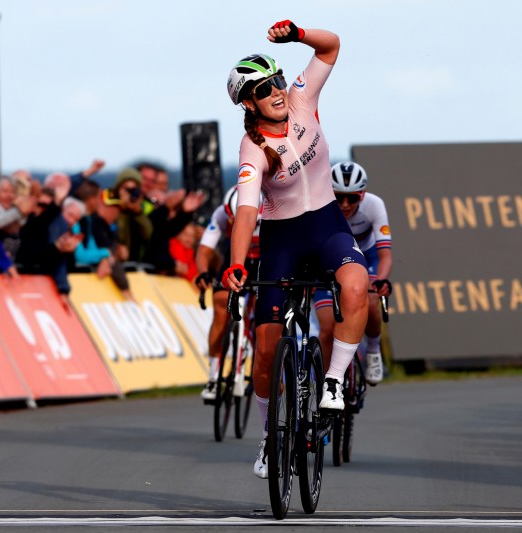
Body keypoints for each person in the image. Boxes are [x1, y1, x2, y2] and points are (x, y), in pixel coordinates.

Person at [222, 21, 369, 478]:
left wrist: (299, 34)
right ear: (249, 102)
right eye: (265, 88)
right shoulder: (253, 148)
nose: (278, 90)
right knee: (266, 350)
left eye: (278, 80)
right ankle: (269, 439)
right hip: (282, 238)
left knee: (356, 283)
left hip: (326, 223)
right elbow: (246, 212)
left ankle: (331, 383)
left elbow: (333, 46)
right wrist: (235, 264)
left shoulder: (303, 99)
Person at [313, 162, 392, 385]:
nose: (345, 204)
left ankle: (374, 351)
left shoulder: (375, 205)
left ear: (363, 195)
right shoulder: (321, 207)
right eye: (338, 198)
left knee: (370, 298)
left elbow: (384, 254)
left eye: (353, 198)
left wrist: (382, 280)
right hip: (328, 262)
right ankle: (327, 385)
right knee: (327, 331)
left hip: (366, 258)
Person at [195, 185, 262, 401]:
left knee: (266, 312)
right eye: (234, 221)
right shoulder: (222, 214)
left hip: (264, 259)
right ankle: (213, 376)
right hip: (236, 258)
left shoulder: (273, 209)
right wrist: (204, 273)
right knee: (221, 305)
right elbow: (204, 251)